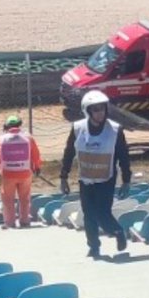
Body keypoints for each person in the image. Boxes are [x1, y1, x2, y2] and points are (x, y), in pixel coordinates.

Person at [59, 90, 131, 259]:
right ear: (88, 111)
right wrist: (63, 177)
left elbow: (124, 156)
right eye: (96, 109)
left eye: (103, 109)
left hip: (106, 180)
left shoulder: (115, 130)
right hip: (86, 180)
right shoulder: (78, 128)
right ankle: (94, 247)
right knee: (89, 215)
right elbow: (69, 153)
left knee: (102, 213)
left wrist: (126, 180)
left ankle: (117, 231)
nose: (100, 113)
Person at [0, 114, 41, 229]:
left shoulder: (1, 139)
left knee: (8, 200)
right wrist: (37, 166)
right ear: (19, 125)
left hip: (8, 175)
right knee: (25, 198)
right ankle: (25, 220)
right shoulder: (28, 138)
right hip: (25, 173)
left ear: (7, 126)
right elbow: (35, 154)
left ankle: (9, 222)